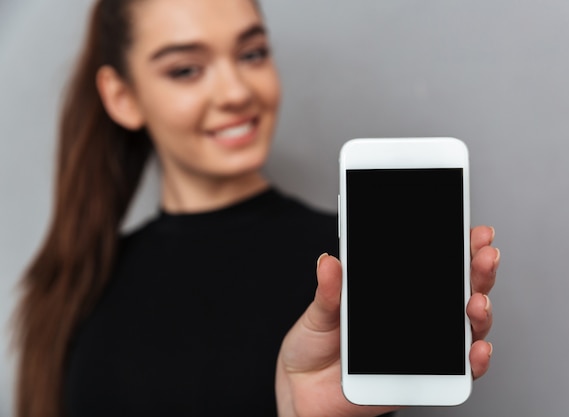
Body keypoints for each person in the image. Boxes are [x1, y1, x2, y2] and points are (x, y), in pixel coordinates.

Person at [13, 0, 499, 416]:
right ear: (122, 96)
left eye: (252, 54)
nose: (236, 92)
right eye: (186, 69)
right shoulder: (76, 281)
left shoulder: (351, 266)